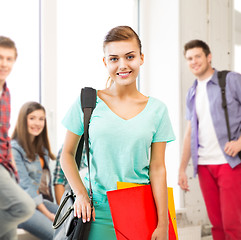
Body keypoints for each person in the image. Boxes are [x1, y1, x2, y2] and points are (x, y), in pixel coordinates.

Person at [60, 25, 175, 240]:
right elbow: (66, 155)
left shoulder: (158, 110)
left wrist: (163, 223)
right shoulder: (87, 102)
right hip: (95, 214)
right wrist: (81, 195)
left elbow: (158, 168)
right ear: (105, 62)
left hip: (141, 212)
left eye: (129, 56)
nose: (122, 65)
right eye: (114, 59)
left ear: (141, 58)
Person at [178, 39, 241, 240]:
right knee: (216, 225)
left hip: (229, 163)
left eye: (197, 56)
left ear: (208, 57)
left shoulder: (231, 80)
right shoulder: (192, 92)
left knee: (233, 224)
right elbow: (190, 132)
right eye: (189, 58)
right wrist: (182, 168)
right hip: (204, 165)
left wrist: (240, 142)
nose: (194, 61)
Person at [0, 36, 35, 240]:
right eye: (0, 57)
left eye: (8, 59)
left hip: (6, 166)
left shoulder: (7, 93)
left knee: (9, 235)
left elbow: (4, 136)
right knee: (24, 207)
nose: (4, 63)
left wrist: (12, 167)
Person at [11, 101, 58, 240]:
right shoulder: (14, 149)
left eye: (41, 119)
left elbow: (42, 187)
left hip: (35, 201)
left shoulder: (40, 150)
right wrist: (47, 214)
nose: (37, 123)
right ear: (23, 120)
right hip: (17, 207)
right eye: (32, 118)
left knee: (72, 218)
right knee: (56, 234)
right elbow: (26, 187)